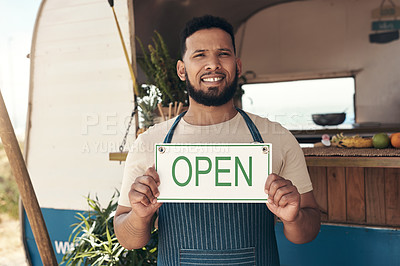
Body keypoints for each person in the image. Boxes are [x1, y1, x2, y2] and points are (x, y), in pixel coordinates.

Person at [114, 15, 320, 265]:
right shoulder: (150, 143)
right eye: (199, 54)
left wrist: (293, 218)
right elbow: (127, 239)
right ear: (182, 69)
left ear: (238, 65)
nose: (213, 64)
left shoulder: (277, 138)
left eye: (223, 53)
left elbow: (307, 232)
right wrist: (139, 216)